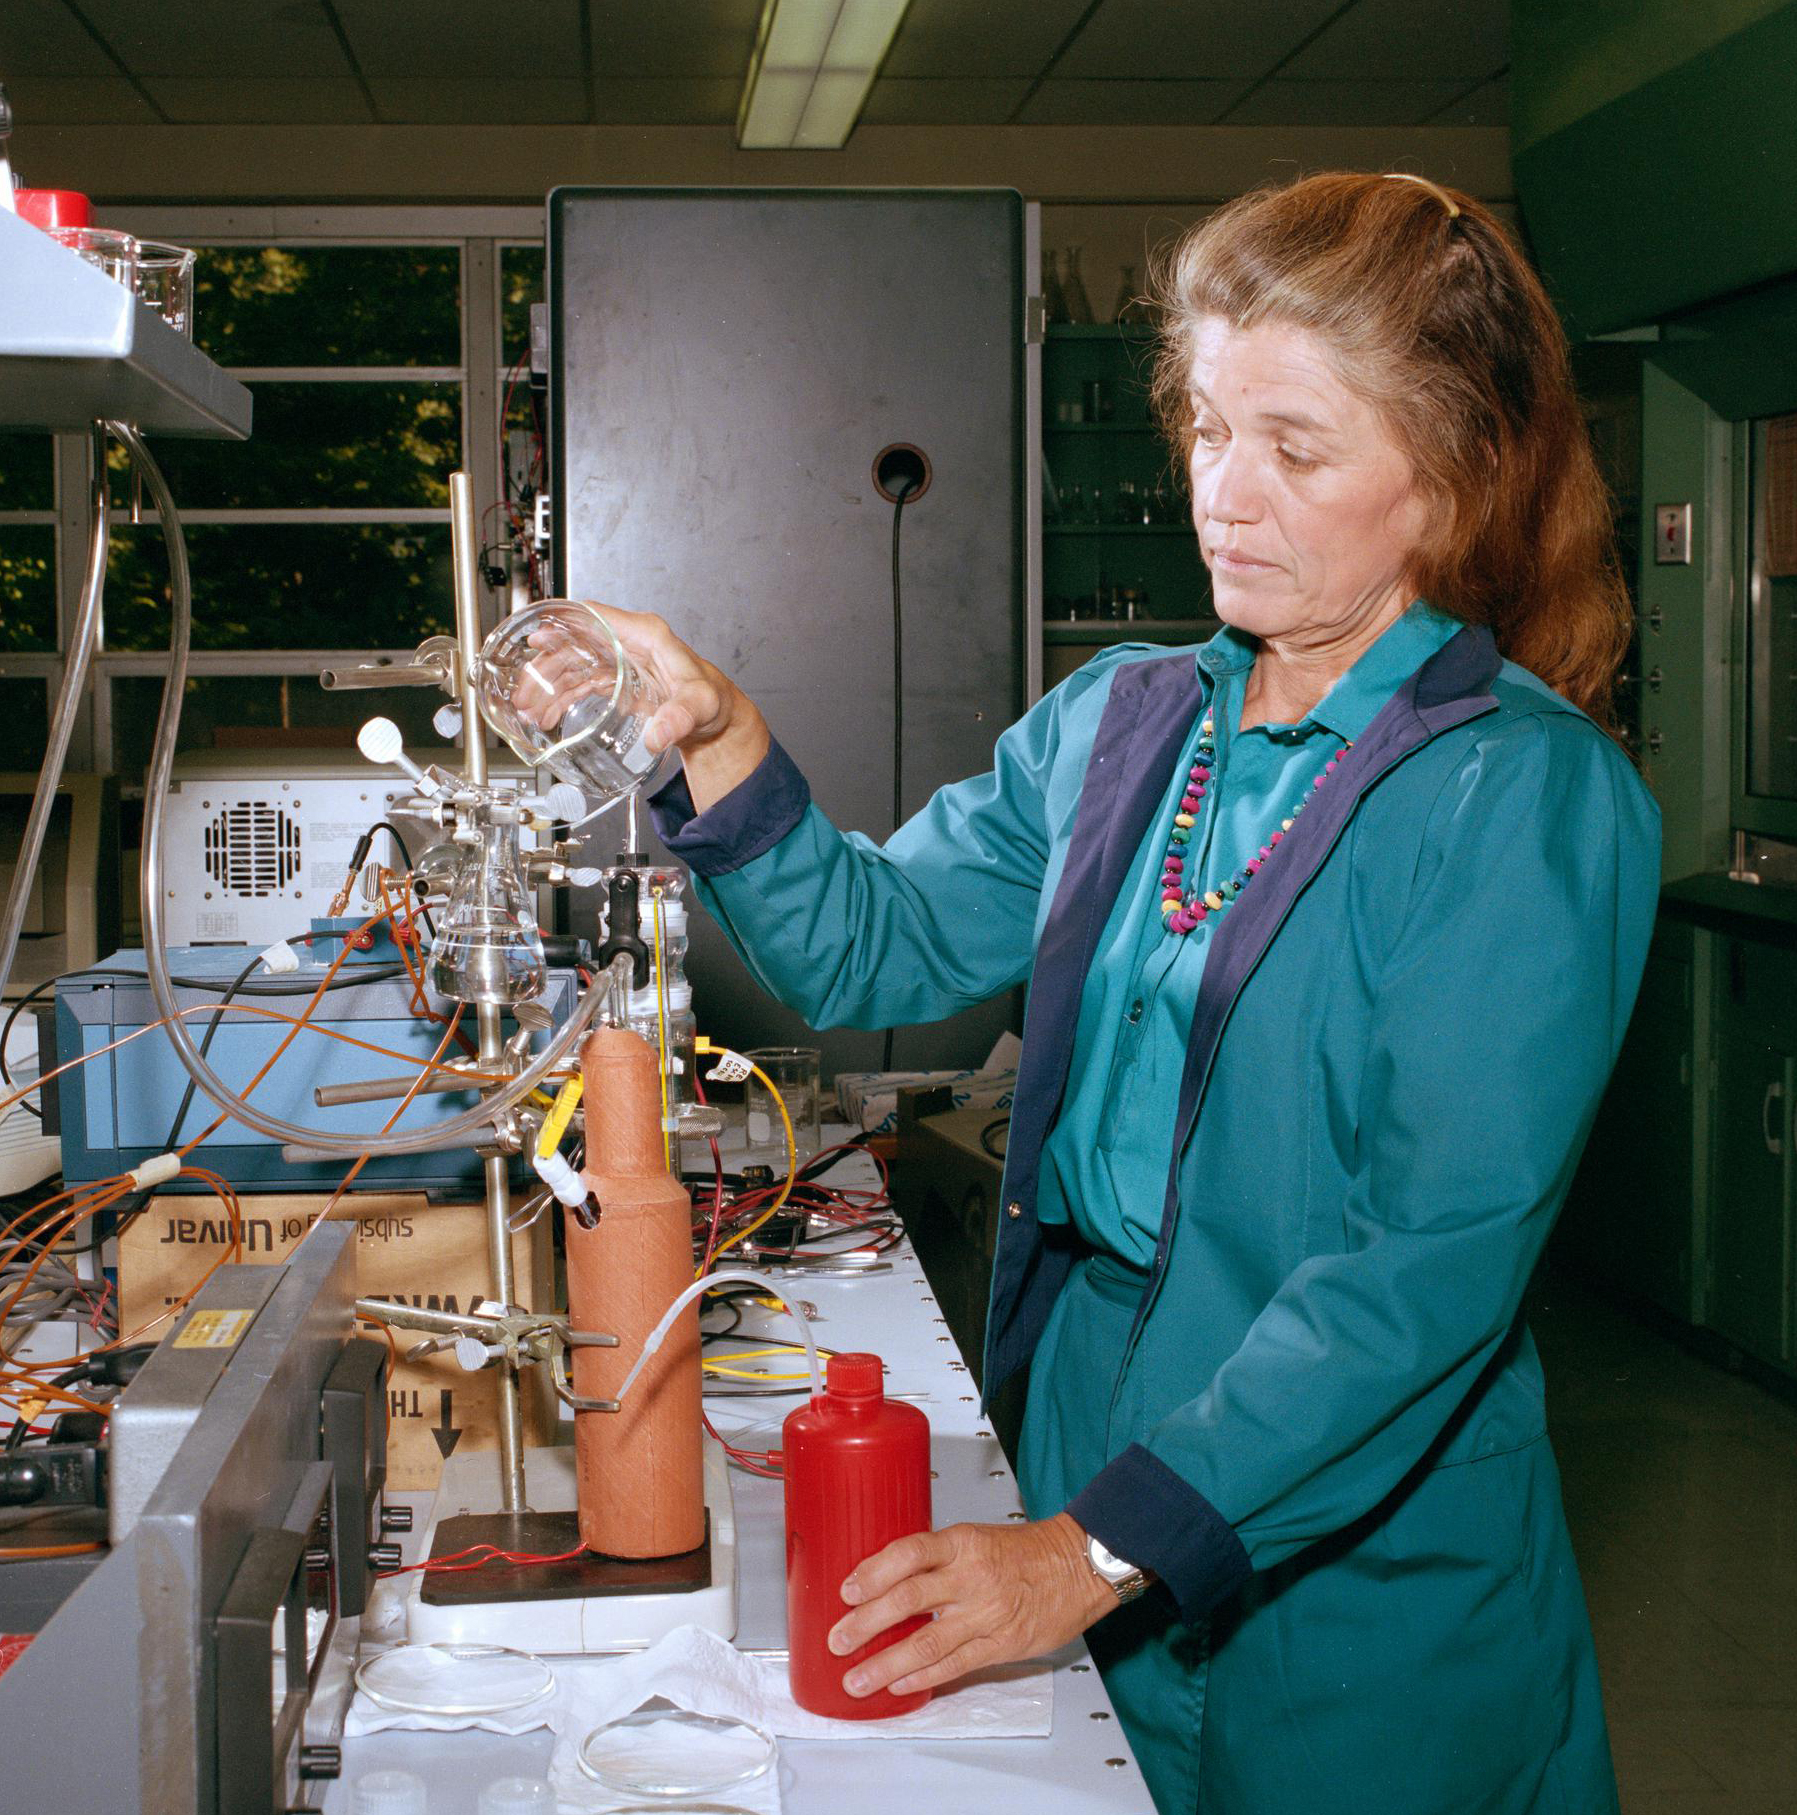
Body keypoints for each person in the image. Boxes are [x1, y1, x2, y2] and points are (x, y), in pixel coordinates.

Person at [592, 171, 1660, 1815]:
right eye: (1207, 428)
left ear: (1451, 484)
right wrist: (724, 741)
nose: (1221, 497)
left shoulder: (1518, 798)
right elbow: (879, 949)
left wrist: (1093, 1551)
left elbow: (1423, 1274)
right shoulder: (1127, 719)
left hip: (1352, 1491)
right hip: (1088, 1382)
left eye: (1294, 451)